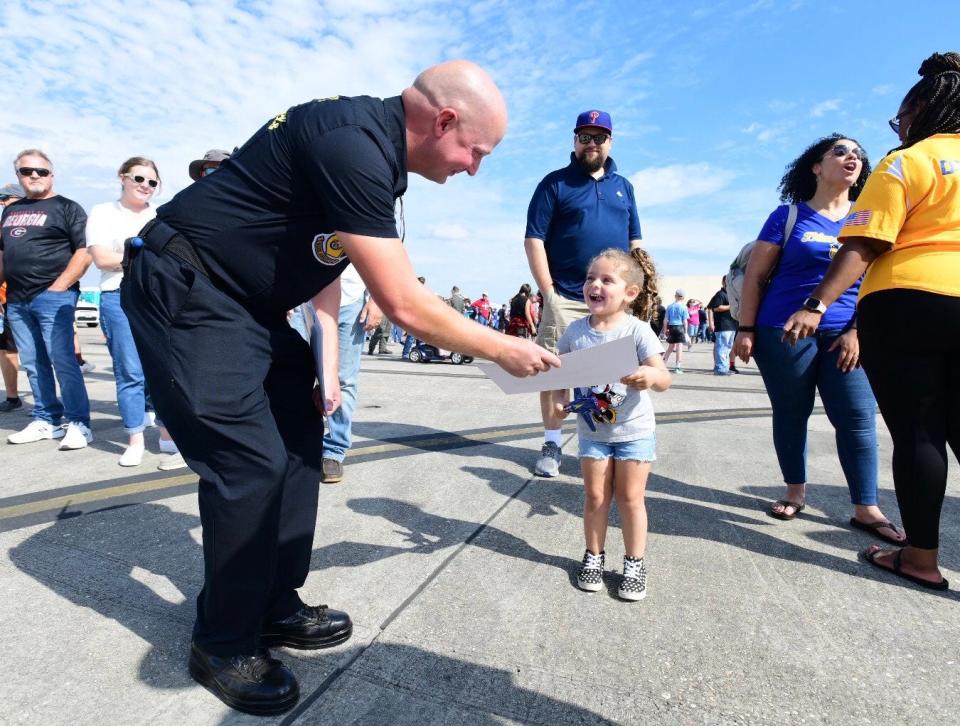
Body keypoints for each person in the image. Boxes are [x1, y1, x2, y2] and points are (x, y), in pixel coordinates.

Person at [121, 60, 558, 715]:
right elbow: (405, 304)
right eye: (476, 151)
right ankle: (223, 641)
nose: (474, 167)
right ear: (442, 121)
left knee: (301, 433)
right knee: (248, 463)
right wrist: (502, 346)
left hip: (243, 304)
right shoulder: (354, 141)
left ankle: (273, 602)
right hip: (188, 286)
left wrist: (322, 362)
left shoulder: (373, 154)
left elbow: (321, 266)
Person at [782, 52, 960, 590]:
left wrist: (815, 304)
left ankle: (921, 560)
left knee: (919, 434)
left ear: (924, 107)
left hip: (909, 303)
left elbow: (863, 242)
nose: (899, 127)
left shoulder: (908, 160)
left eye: (900, 117)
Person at [733, 133, 905, 547]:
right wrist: (746, 329)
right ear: (816, 166)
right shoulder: (788, 216)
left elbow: (879, 281)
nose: (852, 158)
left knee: (858, 418)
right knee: (791, 413)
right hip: (783, 330)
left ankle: (867, 507)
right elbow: (756, 277)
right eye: (840, 151)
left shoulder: (867, 217)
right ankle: (795, 490)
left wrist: (858, 331)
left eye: (858, 155)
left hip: (847, 331)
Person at [525, 109, 642, 477]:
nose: (592, 143)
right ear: (574, 140)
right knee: (555, 376)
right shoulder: (555, 184)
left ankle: (604, 443)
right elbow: (534, 238)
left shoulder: (624, 186)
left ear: (610, 140)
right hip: (567, 296)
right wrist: (549, 292)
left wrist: (640, 291)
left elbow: (635, 242)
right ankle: (552, 443)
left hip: (614, 300)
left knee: (613, 376)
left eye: (599, 136)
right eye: (584, 136)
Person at [549, 248, 670, 601]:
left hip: (634, 431)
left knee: (631, 498)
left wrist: (650, 374)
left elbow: (663, 378)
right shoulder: (574, 332)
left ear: (630, 293)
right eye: (590, 278)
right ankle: (594, 556)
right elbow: (561, 374)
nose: (594, 285)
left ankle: (634, 562)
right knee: (595, 497)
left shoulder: (637, 330)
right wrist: (559, 399)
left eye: (606, 279)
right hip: (593, 433)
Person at [85, 157, 184, 469]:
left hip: (157, 298)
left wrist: (135, 260)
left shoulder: (161, 216)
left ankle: (168, 434)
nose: (145, 186)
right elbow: (101, 258)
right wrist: (142, 262)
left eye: (152, 182)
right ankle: (135, 439)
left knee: (165, 370)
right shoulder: (103, 212)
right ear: (122, 178)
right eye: (139, 178)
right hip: (118, 294)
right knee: (130, 371)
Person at [0, 150, 92, 449]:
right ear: (19, 176)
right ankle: (47, 420)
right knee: (32, 362)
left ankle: (79, 422)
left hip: (54, 297)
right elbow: (4, 254)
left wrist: (59, 287)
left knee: (63, 360)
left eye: (41, 171)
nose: (34, 176)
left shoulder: (67, 207)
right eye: (27, 171)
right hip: (16, 299)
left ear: (52, 175)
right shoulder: (9, 212)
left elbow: (84, 250)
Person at [320, 263, 381, 484]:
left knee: (344, 380)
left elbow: (378, 256)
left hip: (350, 303)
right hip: (303, 298)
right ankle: (296, 443)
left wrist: (375, 299)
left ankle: (334, 451)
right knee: (295, 375)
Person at [0, 184, 24, 413]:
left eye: (5, 198)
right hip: (4, 298)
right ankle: (12, 397)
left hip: (23, 297)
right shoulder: (3, 225)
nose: (2, 203)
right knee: (6, 348)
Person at [707, 277, 738, 375]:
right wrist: (731, 306)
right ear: (724, 282)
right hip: (723, 325)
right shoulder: (720, 294)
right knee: (722, 347)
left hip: (732, 325)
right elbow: (715, 308)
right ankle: (721, 369)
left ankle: (723, 367)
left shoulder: (732, 294)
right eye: (728, 281)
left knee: (727, 348)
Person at [662, 289, 688, 373]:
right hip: (680, 327)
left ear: (675, 296)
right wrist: (686, 332)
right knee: (679, 347)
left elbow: (665, 319)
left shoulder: (670, 306)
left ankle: (663, 364)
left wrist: (665, 329)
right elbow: (685, 321)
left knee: (671, 347)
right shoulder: (684, 307)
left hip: (672, 327)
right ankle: (678, 367)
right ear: (683, 297)